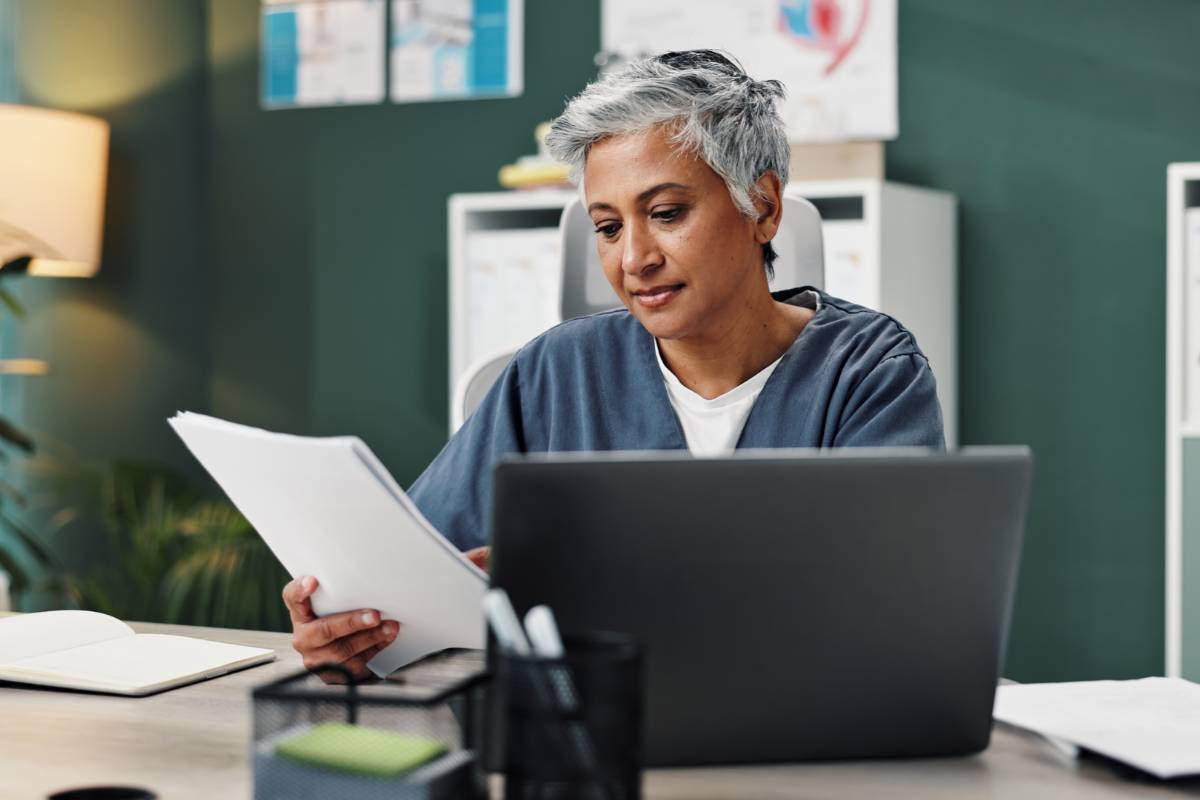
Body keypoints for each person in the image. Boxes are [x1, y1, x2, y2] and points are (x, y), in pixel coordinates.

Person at [282, 49, 945, 681]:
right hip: (581, 734)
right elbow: (408, 571)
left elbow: (885, 617)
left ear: (763, 207)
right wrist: (353, 626)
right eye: (607, 227)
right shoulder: (555, 372)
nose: (633, 259)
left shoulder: (870, 374)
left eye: (665, 213)